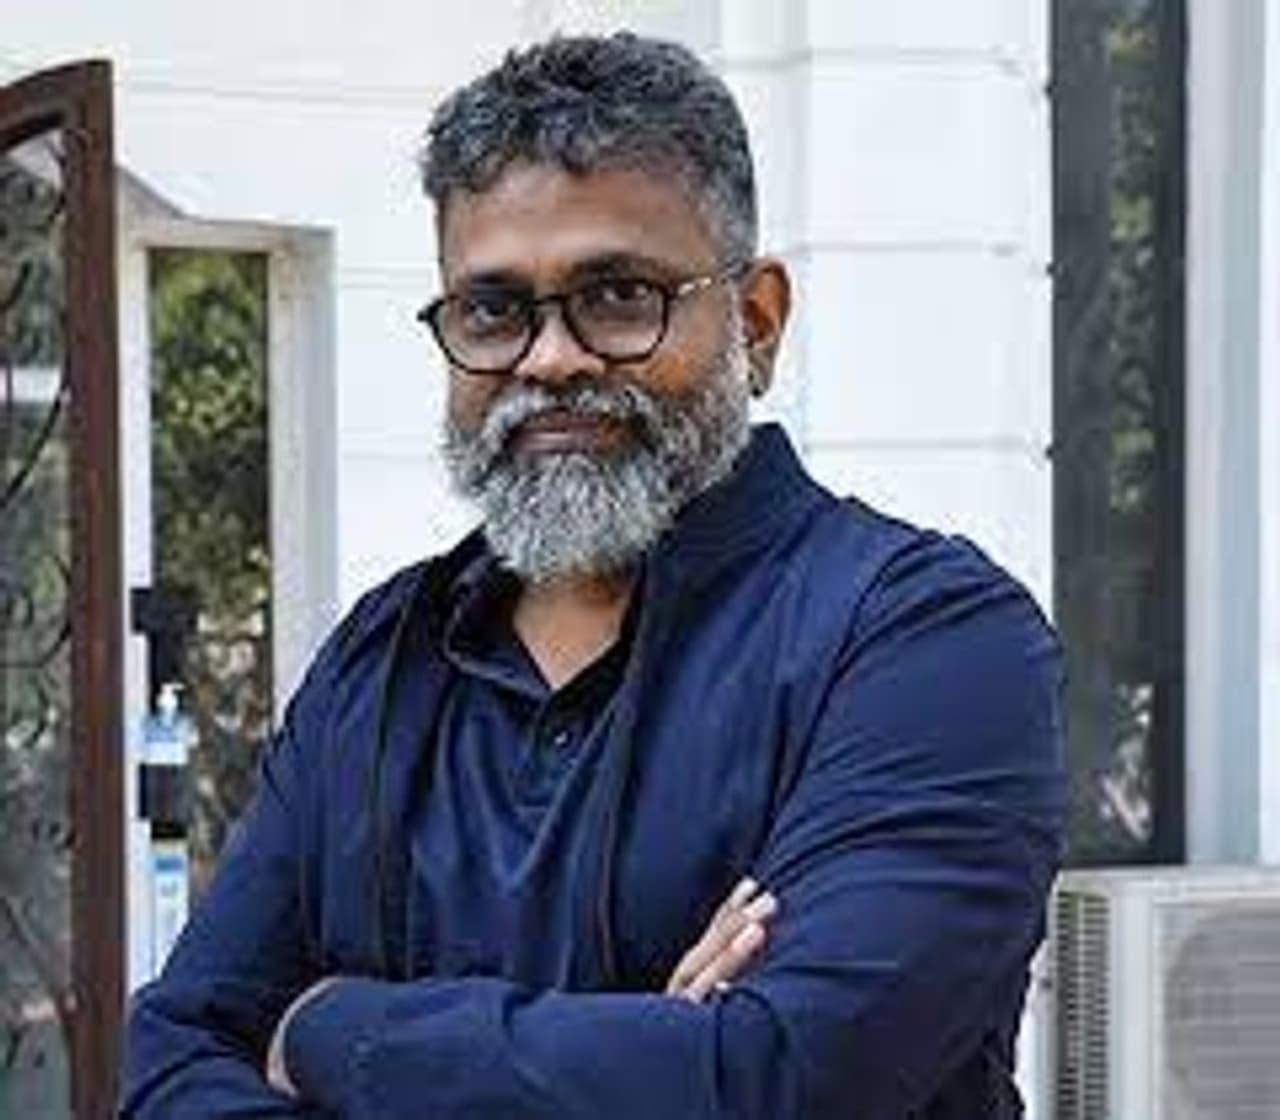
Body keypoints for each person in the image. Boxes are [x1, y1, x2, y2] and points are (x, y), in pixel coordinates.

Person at [121, 31, 1065, 1118]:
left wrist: (335, 1030)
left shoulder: (921, 638)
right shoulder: (377, 665)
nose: (550, 358)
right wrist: (653, 1057)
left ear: (756, 322)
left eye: (618, 295)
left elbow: (780, 1081)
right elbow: (171, 1058)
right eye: (492, 309)